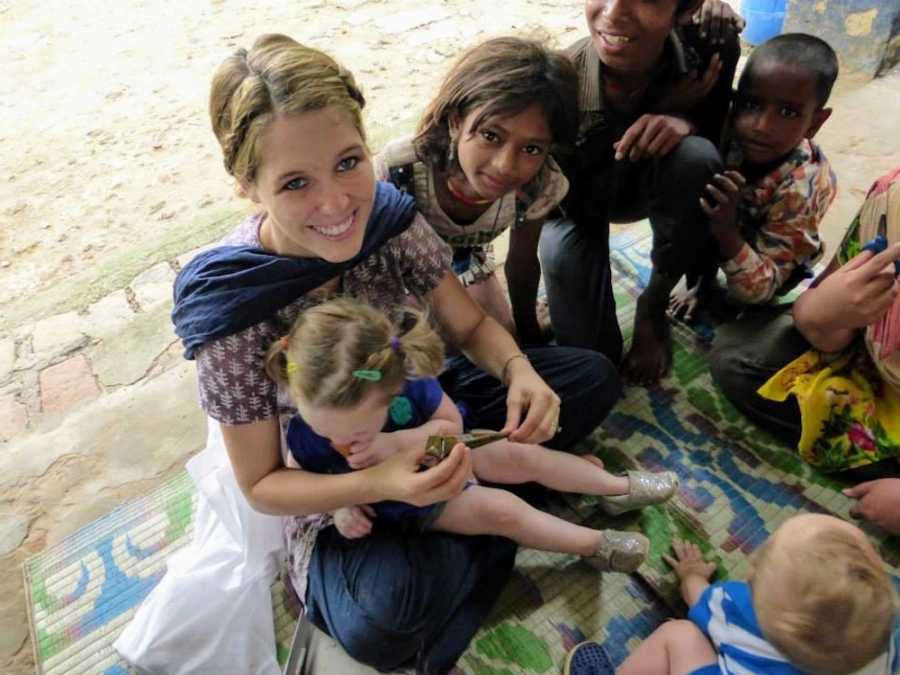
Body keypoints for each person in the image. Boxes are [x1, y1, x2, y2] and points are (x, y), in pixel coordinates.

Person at [172, 34, 621, 674]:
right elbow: (264, 484)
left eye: (348, 162)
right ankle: (489, 517)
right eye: (295, 182)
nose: (335, 204)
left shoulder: (387, 218)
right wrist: (379, 481)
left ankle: (478, 511)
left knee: (587, 379)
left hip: (424, 410)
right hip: (339, 485)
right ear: (247, 185)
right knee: (381, 623)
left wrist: (520, 371)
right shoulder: (231, 308)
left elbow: (467, 328)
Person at [269, 297, 679, 570]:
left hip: (451, 446)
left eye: (359, 428)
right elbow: (311, 485)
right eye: (326, 428)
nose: (340, 439)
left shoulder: (405, 383)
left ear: (391, 391)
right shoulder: (307, 434)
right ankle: (593, 545)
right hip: (417, 502)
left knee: (524, 454)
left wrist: (395, 442)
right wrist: (341, 509)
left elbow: (452, 426)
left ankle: (616, 487)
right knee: (501, 511)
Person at [539, 0, 741, 383]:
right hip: (579, 204)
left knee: (698, 160)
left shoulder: (710, 43)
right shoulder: (561, 84)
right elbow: (574, 203)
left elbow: (720, 142)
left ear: (686, 9)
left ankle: (654, 303)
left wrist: (684, 121)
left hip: (665, 179)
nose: (614, 12)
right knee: (591, 362)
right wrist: (663, 107)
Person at [375, 36, 578, 343]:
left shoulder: (539, 185)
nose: (505, 166)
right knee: (412, 353)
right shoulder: (398, 171)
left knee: (498, 342)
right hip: (399, 275)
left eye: (532, 148)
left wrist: (527, 332)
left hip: (464, 262)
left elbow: (521, 263)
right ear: (456, 121)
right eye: (491, 136)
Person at [710, 168, 900, 475]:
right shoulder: (891, 198)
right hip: (872, 367)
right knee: (739, 357)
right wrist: (822, 315)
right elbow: (826, 307)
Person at [565, 515, 899, 675]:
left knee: (678, 634)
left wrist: (692, 576)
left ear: (753, 583)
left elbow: (696, 596)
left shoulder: (736, 606)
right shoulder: (887, 636)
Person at [670, 33, 838, 321]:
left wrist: (725, 229)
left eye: (787, 112)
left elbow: (762, 285)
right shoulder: (732, 135)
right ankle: (703, 285)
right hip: (737, 217)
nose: (761, 126)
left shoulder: (800, 189)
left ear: (815, 122)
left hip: (779, 253)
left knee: (750, 296)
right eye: (750, 105)